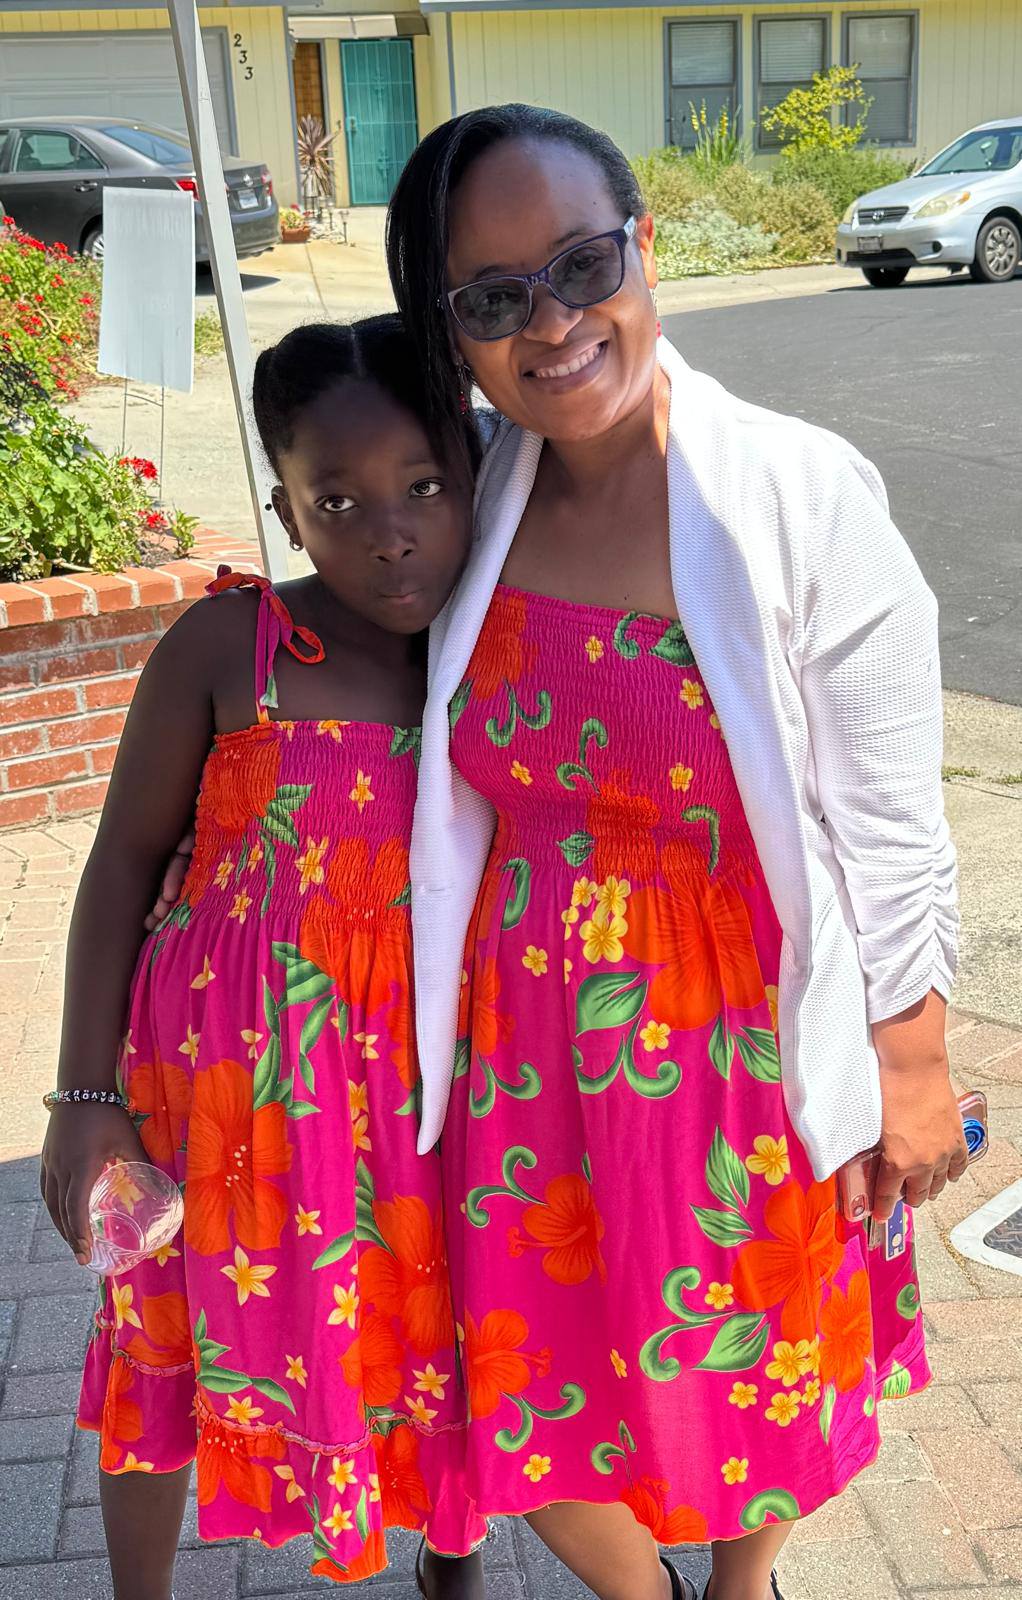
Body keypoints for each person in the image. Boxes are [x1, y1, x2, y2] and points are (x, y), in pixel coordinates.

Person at [385, 105, 965, 1600]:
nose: (553, 323)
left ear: (640, 245)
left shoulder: (791, 491)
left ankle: (740, 1581)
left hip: (737, 1049)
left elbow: (892, 818)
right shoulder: (474, 498)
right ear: (450, 326)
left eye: (581, 263)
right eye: (496, 297)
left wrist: (909, 1069)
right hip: (524, 1053)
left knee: (767, 1359)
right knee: (528, 1376)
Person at [39, 316, 488, 1600]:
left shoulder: (494, 652)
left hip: (422, 1086)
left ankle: (449, 1570)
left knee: (434, 1329)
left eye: (420, 487)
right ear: (286, 512)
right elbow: (124, 863)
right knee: (162, 1327)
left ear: (470, 471)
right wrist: (85, 1101)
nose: (385, 530)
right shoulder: (229, 651)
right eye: (334, 499)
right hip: (216, 1091)